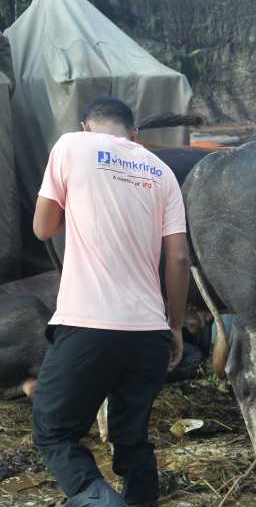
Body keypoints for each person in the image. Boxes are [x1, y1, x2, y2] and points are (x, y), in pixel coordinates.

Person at [32, 97, 190, 507]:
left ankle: (98, 501)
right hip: (149, 333)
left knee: (53, 430)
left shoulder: (71, 145)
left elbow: (42, 228)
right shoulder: (162, 172)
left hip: (89, 326)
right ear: (134, 135)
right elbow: (177, 257)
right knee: (131, 438)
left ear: (88, 126)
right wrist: (174, 325)